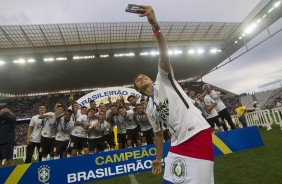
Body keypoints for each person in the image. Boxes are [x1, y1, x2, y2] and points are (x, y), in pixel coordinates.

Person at [132, 6, 213, 183]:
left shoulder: (162, 80)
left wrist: (155, 25)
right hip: (177, 144)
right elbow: (158, 134)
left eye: (143, 76)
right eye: (138, 80)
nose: (141, 77)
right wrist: (158, 158)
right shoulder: (150, 108)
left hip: (197, 133)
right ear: (138, 89)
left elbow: (164, 54)